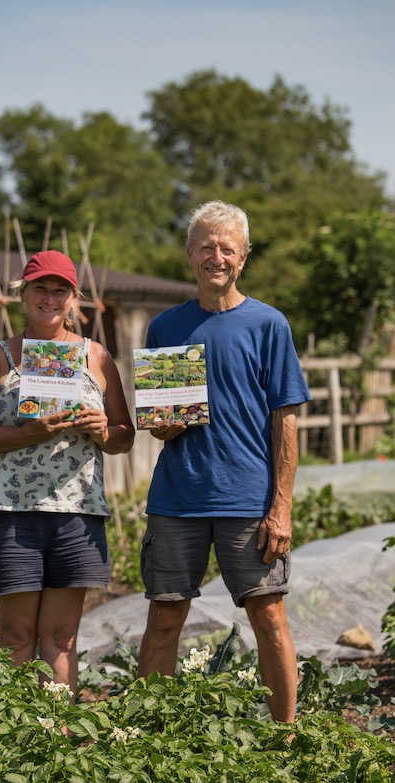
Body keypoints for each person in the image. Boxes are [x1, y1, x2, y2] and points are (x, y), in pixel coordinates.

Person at [137, 201, 311, 723]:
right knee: (165, 617)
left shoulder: (268, 325)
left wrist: (280, 507)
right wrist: (169, 420)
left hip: (247, 499)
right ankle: (152, 739)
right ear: (190, 255)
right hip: (178, 497)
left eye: (227, 248)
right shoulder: (165, 328)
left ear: (244, 257)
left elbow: (286, 421)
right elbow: (159, 428)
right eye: (207, 246)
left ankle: (286, 740)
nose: (217, 256)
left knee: (269, 615)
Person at [0, 249, 135, 695]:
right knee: (15, 639)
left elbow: (124, 437)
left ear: (75, 298)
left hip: (77, 512)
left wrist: (102, 430)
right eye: (41, 288)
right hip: (11, 513)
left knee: (62, 638)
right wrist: (25, 434)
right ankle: (14, 743)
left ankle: (58, 741)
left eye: (60, 290)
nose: (50, 298)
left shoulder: (95, 357)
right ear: (23, 294)